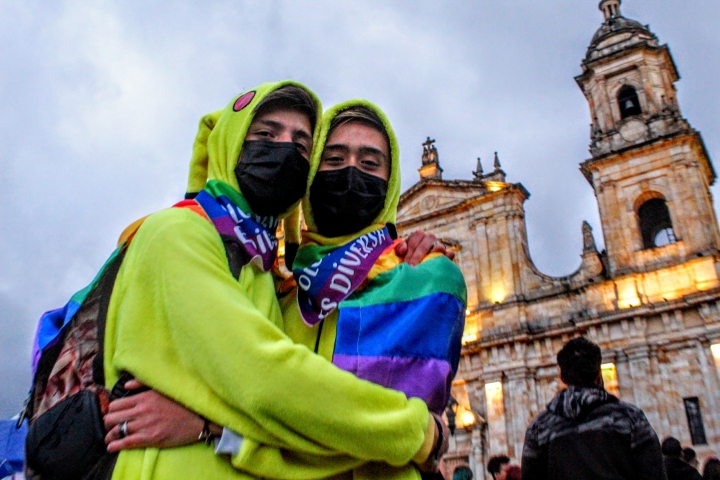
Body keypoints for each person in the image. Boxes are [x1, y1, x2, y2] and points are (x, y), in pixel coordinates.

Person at [102, 83, 448, 479]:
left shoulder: (271, 269)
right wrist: (422, 432)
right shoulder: (182, 231)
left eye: (301, 145)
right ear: (231, 142)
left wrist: (211, 427)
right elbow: (269, 382)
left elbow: (340, 430)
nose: (283, 151)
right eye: (266, 135)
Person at [521, 337, 665, 480]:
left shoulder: (539, 427)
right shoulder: (630, 418)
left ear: (562, 377)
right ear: (599, 374)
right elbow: (654, 472)